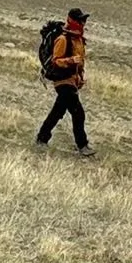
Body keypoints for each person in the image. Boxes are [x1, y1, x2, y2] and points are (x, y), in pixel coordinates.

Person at [36, 8, 94, 155]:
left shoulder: (78, 39)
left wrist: (79, 77)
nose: (83, 23)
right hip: (62, 80)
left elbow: (80, 63)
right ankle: (82, 145)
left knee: (58, 111)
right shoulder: (63, 39)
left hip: (71, 80)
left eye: (83, 20)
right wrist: (71, 60)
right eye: (80, 20)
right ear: (72, 20)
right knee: (78, 112)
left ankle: (42, 138)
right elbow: (56, 61)